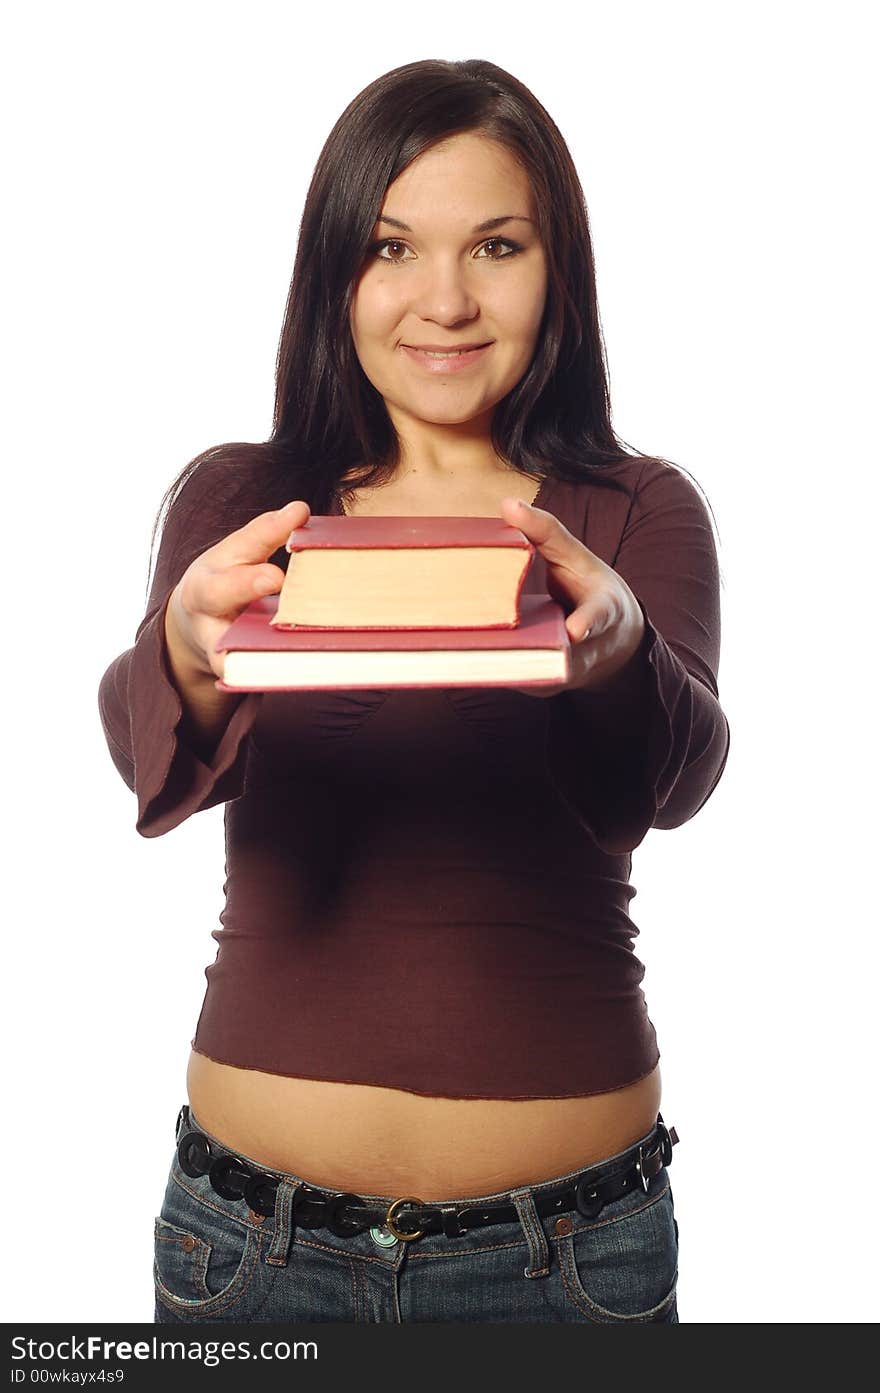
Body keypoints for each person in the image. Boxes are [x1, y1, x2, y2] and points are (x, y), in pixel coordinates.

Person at [98, 58, 730, 1325]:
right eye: (393, 246)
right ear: (336, 271)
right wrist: (183, 647)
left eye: (495, 245)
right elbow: (146, 756)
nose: (444, 299)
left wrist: (617, 651)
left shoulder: (633, 506)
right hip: (247, 1247)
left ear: (559, 270)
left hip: (569, 1251)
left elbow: (679, 775)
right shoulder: (245, 499)